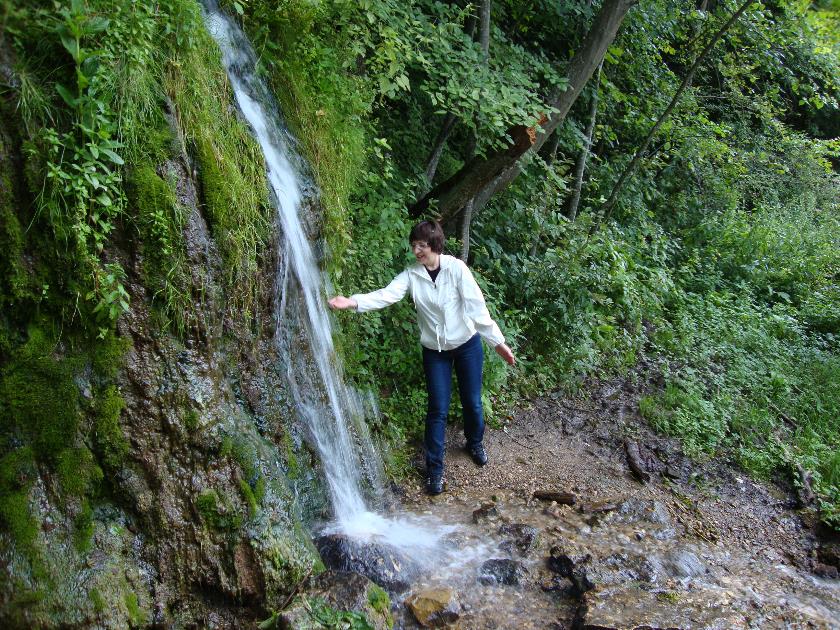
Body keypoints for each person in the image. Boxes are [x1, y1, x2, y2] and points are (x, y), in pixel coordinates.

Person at [328, 220, 515, 495]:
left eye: (422, 245)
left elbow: (477, 308)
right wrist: (353, 301)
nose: (416, 251)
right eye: (414, 245)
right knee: (437, 409)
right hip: (435, 351)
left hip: (467, 344)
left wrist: (497, 342)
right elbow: (387, 294)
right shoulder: (412, 275)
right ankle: (435, 470)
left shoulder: (456, 269)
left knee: (473, 402)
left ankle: (474, 442)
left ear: (435, 245)